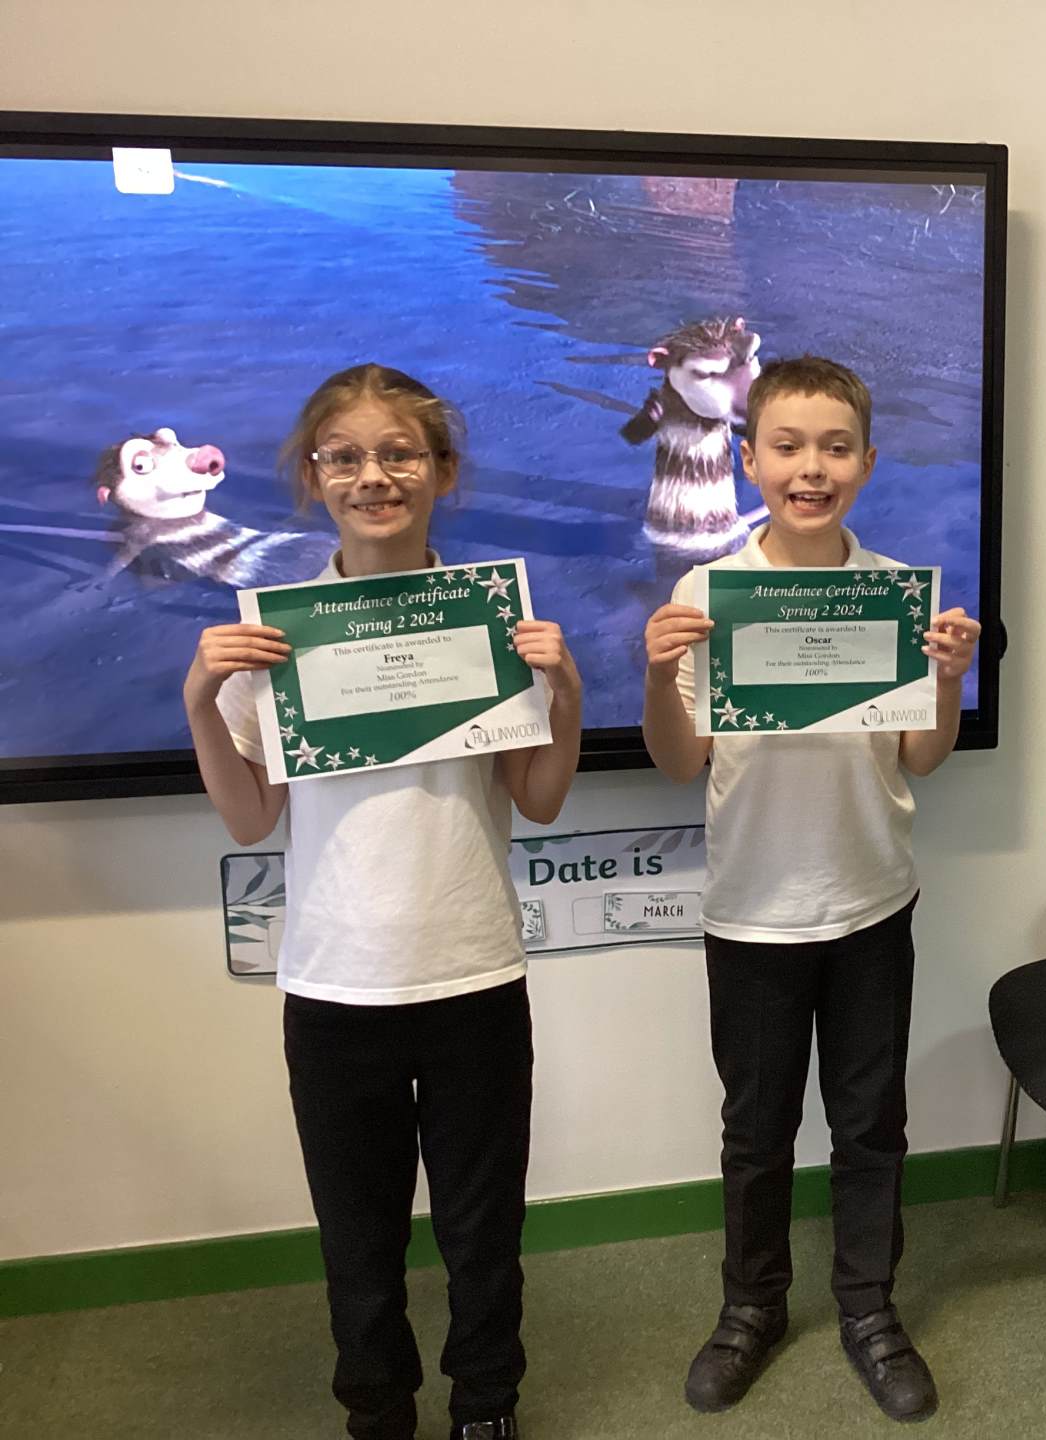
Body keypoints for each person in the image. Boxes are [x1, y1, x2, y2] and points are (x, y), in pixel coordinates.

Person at [183, 364, 582, 1440]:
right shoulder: (277, 643)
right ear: (312, 479)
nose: (374, 476)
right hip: (334, 984)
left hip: (473, 971)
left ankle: (487, 1405)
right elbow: (249, 818)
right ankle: (377, 1411)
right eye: (345, 457)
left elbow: (539, 800)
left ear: (443, 471)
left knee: (482, 1228)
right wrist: (201, 700)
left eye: (400, 453)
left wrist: (567, 692)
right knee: (357, 1236)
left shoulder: (491, 625)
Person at [641, 356, 980, 1424]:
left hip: (871, 903)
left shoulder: (895, 595)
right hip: (751, 913)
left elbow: (922, 757)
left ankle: (869, 1308)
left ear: (868, 463)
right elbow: (678, 761)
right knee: (756, 1131)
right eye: (787, 446)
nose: (811, 468)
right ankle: (751, 1306)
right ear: (749, 460)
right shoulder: (704, 597)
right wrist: (655, 672)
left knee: (872, 1126)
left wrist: (949, 681)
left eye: (835, 447)